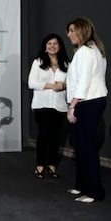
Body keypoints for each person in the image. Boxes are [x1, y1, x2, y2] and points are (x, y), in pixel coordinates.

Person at [65, 17, 107, 203]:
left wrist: (72, 106)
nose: (69, 34)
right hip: (92, 101)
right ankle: (83, 186)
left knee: (87, 148)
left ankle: (93, 192)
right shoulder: (94, 50)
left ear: (81, 31)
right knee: (82, 147)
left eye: (72, 30)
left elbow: (83, 82)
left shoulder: (85, 52)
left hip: (87, 102)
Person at [28, 33, 70, 179]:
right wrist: (51, 85)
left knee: (55, 137)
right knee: (43, 135)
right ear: (45, 47)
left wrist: (63, 85)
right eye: (49, 44)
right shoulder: (38, 62)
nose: (52, 46)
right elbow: (31, 83)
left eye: (55, 44)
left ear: (60, 47)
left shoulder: (66, 64)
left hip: (59, 105)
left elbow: (72, 84)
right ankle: (40, 165)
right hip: (42, 105)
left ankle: (52, 165)